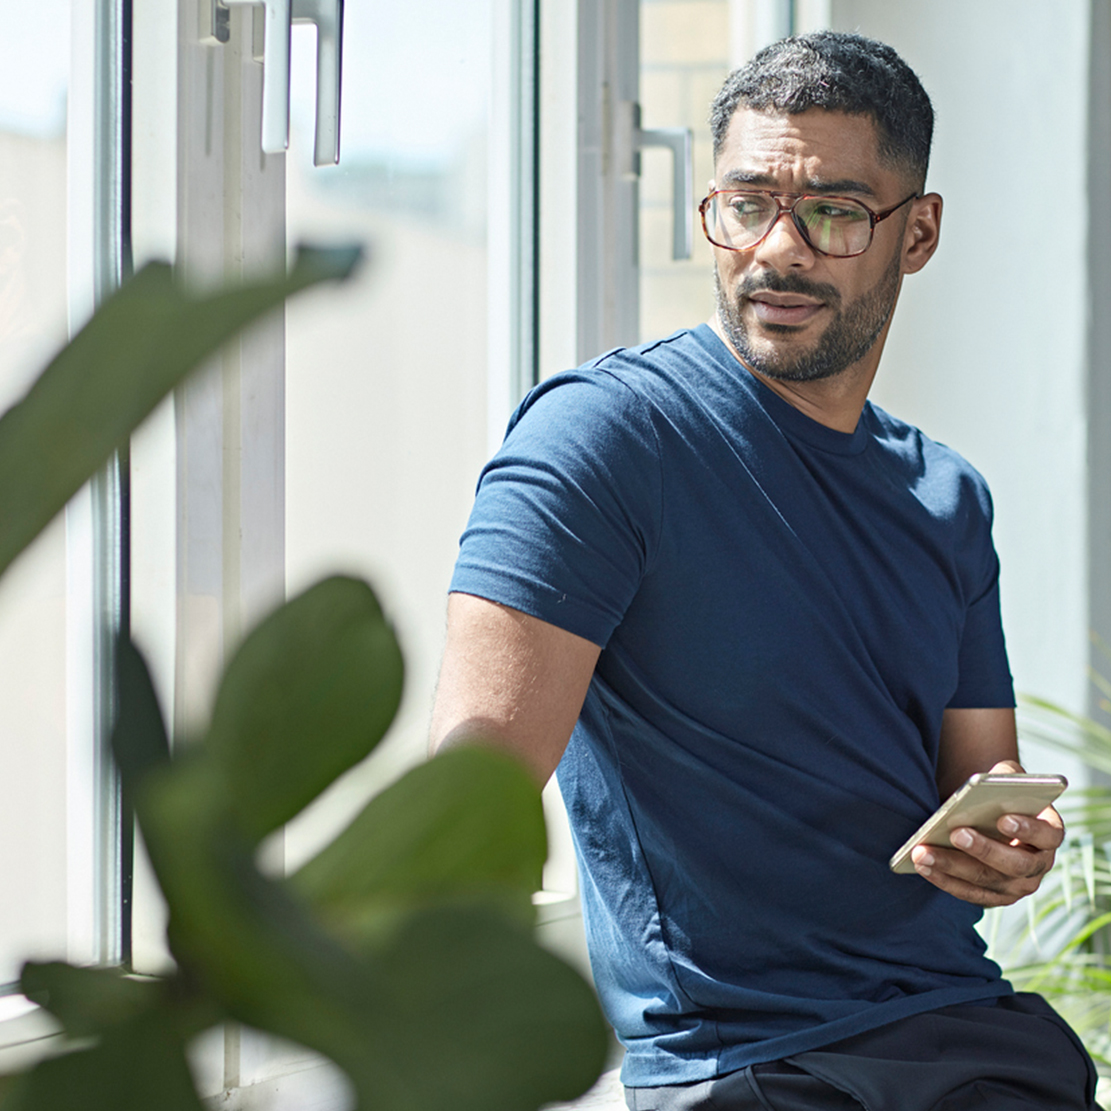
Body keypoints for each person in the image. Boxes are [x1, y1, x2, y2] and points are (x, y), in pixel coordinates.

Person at [430, 31, 1101, 1111]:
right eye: (746, 205)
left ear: (916, 232)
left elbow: (979, 789)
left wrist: (1006, 850)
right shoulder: (601, 440)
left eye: (833, 213)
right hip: (743, 1065)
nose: (776, 251)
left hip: (966, 1039)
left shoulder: (947, 497)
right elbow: (467, 792)